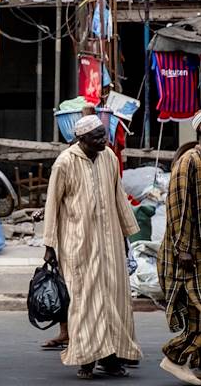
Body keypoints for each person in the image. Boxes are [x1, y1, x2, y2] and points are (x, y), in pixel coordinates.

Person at [42, 114, 142, 379]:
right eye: (97, 137)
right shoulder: (65, 162)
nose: (104, 140)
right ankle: (86, 359)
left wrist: (126, 237)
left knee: (113, 299)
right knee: (85, 302)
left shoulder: (109, 157)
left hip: (110, 242)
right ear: (81, 139)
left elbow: (119, 196)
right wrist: (49, 245)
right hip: (79, 242)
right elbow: (52, 204)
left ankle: (111, 357)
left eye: (104, 135)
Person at [159, 112, 201, 385]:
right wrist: (183, 248)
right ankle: (174, 357)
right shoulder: (190, 161)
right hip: (188, 252)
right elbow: (179, 208)